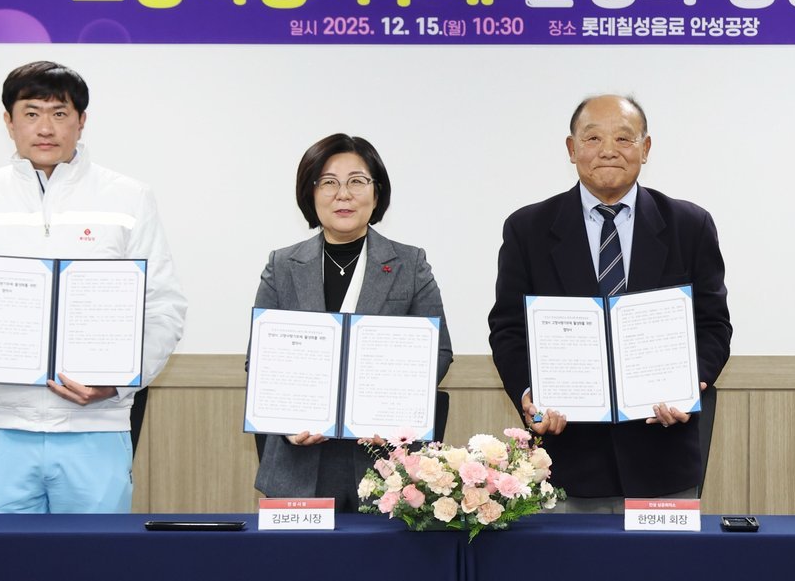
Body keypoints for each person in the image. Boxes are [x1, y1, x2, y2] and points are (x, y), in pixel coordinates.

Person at [0, 61, 187, 513]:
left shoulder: (129, 196)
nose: (45, 128)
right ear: (8, 121)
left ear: (81, 121)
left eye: (59, 114)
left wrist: (117, 384)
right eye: (31, 113)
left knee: (95, 552)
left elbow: (164, 307)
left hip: (95, 426)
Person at [487, 94, 731, 511]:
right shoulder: (528, 228)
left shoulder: (689, 225)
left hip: (662, 456)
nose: (608, 151)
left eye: (623, 138)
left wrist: (692, 385)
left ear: (645, 148)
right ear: (572, 149)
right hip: (566, 457)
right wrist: (530, 394)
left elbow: (713, 325)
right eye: (593, 138)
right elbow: (509, 329)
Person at [251, 133, 453, 512]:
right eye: (328, 182)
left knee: (380, 552)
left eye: (357, 181)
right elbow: (262, 361)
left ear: (377, 193)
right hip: (300, 460)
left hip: (385, 461)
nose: (343, 195)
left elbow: (438, 352)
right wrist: (288, 423)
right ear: (310, 193)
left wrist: (391, 413)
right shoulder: (282, 266)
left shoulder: (410, 264)